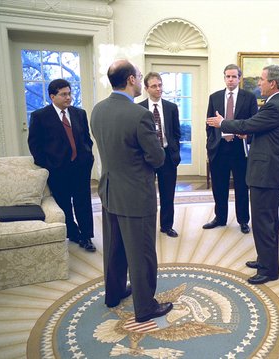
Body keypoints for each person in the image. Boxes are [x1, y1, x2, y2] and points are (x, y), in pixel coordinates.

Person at [90, 59, 173, 321]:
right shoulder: (140, 115)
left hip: (109, 191)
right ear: (131, 80)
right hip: (137, 195)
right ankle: (146, 307)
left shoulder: (98, 110)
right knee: (142, 252)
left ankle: (113, 293)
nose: (140, 80)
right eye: (138, 75)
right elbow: (158, 158)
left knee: (114, 247)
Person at [207, 64, 279, 285]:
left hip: (267, 174)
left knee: (264, 221)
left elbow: (248, 123)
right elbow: (259, 130)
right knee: (267, 220)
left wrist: (222, 123)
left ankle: (269, 270)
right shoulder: (275, 104)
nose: (259, 83)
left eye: (262, 79)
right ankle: (265, 259)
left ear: (272, 83)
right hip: (268, 172)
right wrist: (248, 133)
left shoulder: (275, 106)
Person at [28, 78, 96, 252]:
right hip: (57, 170)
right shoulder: (40, 116)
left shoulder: (79, 114)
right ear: (52, 96)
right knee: (64, 204)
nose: (68, 97)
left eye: (69, 93)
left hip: (80, 167)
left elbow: (86, 139)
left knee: (83, 202)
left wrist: (88, 157)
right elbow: (35, 145)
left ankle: (87, 236)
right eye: (63, 94)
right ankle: (73, 233)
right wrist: (49, 165)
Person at [203, 64, 258, 234]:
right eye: (227, 76)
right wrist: (210, 143)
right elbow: (209, 124)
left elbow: (254, 123)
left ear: (239, 78)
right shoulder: (214, 97)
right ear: (224, 77)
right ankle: (220, 218)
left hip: (239, 149)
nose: (230, 79)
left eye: (234, 76)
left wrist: (246, 136)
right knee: (219, 186)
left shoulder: (249, 97)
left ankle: (243, 220)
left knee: (242, 186)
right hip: (219, 148)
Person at [138, 72, 181, 238]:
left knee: (167, 194)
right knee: (146, 196)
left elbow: (176, 133)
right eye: (154, 86)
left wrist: (175, 150)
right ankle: (146, 227)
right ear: (146, 88)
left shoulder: (171, 108)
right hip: (147, 159)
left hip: (168, 157)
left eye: (160, 85)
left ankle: (167, 226)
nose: (158, 89)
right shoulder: (139, 108)